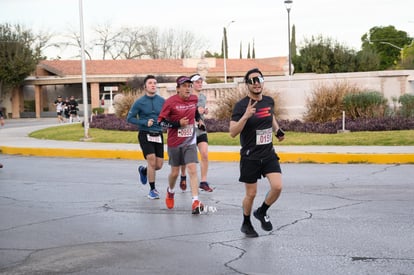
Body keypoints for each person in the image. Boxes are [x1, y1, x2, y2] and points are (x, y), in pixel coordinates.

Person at [229, 68, 285, 238]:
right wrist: (245, 116)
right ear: (247, 85)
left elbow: (271, 116)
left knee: (277, 186)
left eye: (258, 79)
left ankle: (262, 211)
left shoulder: (269, 101)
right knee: (251, 194)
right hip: (250, 156)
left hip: (268, 153)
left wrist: (277, 130)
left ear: (262, 81)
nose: (256, 83)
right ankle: (246, 223)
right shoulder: (240, 106)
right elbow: (232, 132)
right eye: (252, 80)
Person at [158, 75, 205, 214]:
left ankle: (195, 201)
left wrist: (198, 119)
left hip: (190, 141)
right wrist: (177, 123)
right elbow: (161, 122)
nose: (188, 88)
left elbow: (195, 111)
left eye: (190, 86)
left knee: (192, 169)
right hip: (174, 142)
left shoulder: (194, 99)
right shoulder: (170, 102)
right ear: (178, 89)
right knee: (174, 172)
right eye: (184, 86)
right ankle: (170, 191)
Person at [127, 75, 165, 199]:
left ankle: (143, 170)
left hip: (158, 134)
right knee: (152, 161)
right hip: (145, 134)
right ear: (145, 86)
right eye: (150, 83)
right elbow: (130, 118)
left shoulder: (162, 101)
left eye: (155, 83)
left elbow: (168, 115)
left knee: (158, 165)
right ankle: (152, 190)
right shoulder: (139, 102)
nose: (153, 85)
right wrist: (144, 122)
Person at [179, 73, 213, 192]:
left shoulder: (203, 97)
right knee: (185, 157)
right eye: (197, 82)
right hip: (188, 130)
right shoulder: (186, 97)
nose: (200, 84)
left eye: (201, 82)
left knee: (204, 154)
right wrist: (195, 111)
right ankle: (183, 175)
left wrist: (203, 112)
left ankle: (203, 181)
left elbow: (200, 112)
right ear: (192, 84)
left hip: (200, 129)